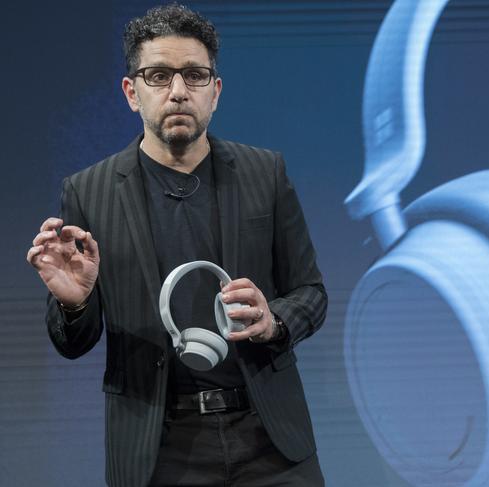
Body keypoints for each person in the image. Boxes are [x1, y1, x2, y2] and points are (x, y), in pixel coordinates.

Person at [26, 4, 327, 486]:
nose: (179, 91)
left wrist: (273, 322)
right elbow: (73, 344)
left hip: (270, 440)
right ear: (131, 91)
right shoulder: (87, 192)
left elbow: (311, 293)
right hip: (158, 448)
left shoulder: (264, 173)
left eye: (195, 75)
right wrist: (76, 305)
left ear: (216, 90)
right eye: (159, 75)